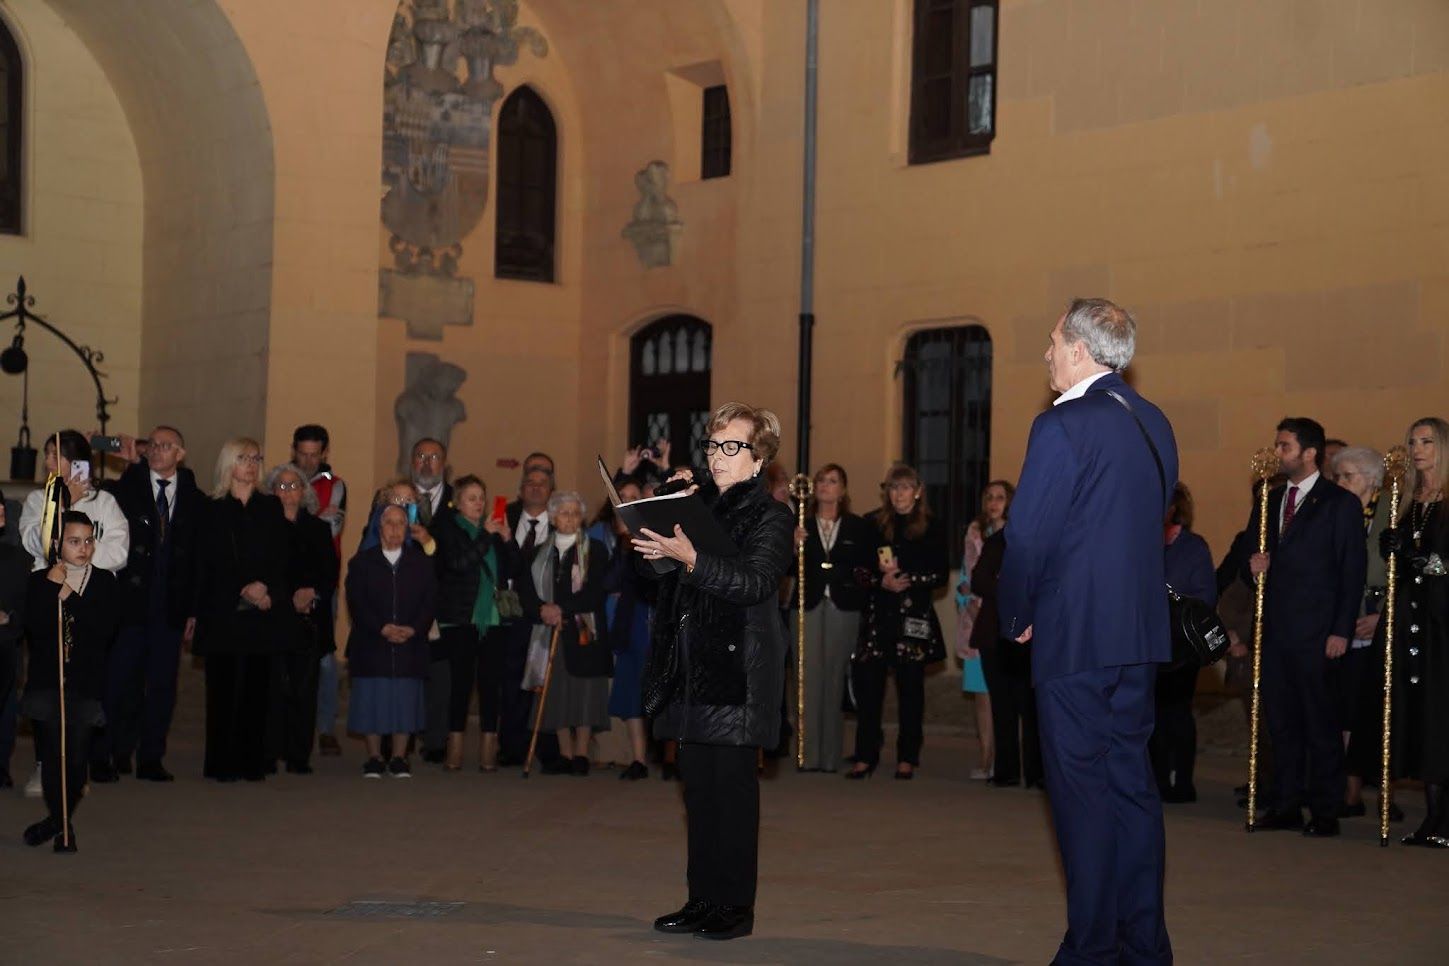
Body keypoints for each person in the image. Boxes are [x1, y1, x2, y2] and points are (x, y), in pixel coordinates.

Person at [997, 298, 1177, 964]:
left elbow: (1027, 536)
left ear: (1078, 348)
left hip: (1074, 637)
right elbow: (1145, 519)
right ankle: (1144, 947)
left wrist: (1015, 615)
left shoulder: (1062, 425)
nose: (1044, 353)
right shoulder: (1153, 421)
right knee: (1131, 790)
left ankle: (1090, 950)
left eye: (1050, 341)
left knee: (1080, 799)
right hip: (1137, 636)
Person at [635, 402, 793, 940]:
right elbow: (669, 575)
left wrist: (692, 559)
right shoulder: (698, 505)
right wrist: (657, 547)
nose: (717, 456)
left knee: (732, 795)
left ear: (758, 458)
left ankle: (735, 909)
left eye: (731, 447)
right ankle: (702, 899)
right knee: (698, 793)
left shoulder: (773, 516)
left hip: (739, 671)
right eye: (712, 445)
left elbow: (753, 583)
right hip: (691, 665)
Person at [1242, 417, 1366, 837]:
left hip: (1318, 632)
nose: (1277, 453)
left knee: (1320, 723)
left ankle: (1326, 809)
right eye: (1277, 445)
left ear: (1309, 452)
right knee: (1282, 722)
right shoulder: (1270, 500)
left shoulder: (1339, 504)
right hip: (1277, 631)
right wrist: (1254, 567)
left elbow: (1351, 571)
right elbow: (1252, 557)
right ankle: (1287, 803)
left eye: (1285, 446)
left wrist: (1340, 630)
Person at [94, 426, 199, 784]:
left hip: (170, 606)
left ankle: (151, 757)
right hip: (131, 602)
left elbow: (197, 560)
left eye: (166, 446)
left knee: (162, 686)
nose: (157, 451)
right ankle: (106, 752)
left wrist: (192, 610)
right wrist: (130, 461)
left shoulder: (192, 494)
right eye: (152, 446)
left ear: (180, 454)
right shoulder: (130, 485)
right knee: (118, 680)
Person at [192, 438, 293, 783]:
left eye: (255, 458)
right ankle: (221, 763)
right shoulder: (211, 508)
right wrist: (242, 587)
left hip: (262, 609)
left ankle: (251, 762)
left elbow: (281, 556)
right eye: (243, 458)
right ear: (228, 464)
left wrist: (265, 587)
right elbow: (209, 560)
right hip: (224, 610)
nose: (250, 465)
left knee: (257, 690)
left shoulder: (270, 507)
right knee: (223, 690)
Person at [22, 512, 121, 852]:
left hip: (84, 682)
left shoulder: (105, 581)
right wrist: (51, 587)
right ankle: (64, 828)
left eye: (88, 541)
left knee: (77, 761)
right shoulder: (39, 581)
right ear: (57, 544)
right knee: (52, 756)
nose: (83, 548)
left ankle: (54, 820)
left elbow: (103, 629)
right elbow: (33, 627)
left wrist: (67, 594)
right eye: (74, 541)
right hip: (48, 682)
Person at [848, 462, 949, 781]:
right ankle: (865, 755)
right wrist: (881, 582)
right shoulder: (871, 524)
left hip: (913, 619)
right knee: (868, 690)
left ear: (918, 492)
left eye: (905, 487)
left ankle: (908, 757)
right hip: (878, 617)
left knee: (911, 691)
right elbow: (857, 571)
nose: (899, 493)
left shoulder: (933, 527)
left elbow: (940, 574)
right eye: (893, 487)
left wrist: (909, 579)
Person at [1376, 417, 1449, 847]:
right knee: (1423, 719)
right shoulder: (1408, 500)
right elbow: (1403, 567)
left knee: (1441, 716)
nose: (1418, 449)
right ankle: (1434, 817)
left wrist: (1427, 563)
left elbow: (1438, 562)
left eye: (1427, 441)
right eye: (1413, 441)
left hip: (1443, 626)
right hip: (1413, 625)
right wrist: (1398, 554)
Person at [518, 491, 611, 775]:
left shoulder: (595, 549)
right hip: (550, 631)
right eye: (564, 513)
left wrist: (562, 609)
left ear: (582, 518)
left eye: (575, 513)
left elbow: (595, 591)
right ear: (553, 517)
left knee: (584, 693)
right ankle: (565, 753)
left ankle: (581, 753)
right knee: (556, 692)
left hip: (584, 631)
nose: (570, 518)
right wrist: (542, 610)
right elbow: (526, 591)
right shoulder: (537, 553)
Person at [790, 463, 874, 773]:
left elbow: (866, 570)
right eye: (822, 480)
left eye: (833, 481)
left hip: (843, 605)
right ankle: (806, 754)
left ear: (843, 489)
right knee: (807, 678)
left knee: (835, 677)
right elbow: (785, 569)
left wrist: (844, 578)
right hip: (807, 604)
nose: (826, 486)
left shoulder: (857, 526)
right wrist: (793, 546)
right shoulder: (801, 523)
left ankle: (830, 756)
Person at [430, 474, 514, 771]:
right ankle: (454, 749)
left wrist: (507, 539)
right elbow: (457, 563)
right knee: (460, 684)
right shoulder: (448, 529)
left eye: (481, 497)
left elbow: (513, 569)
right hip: (461, 618)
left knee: (492, 684)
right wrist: (486, 536)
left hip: (494, 619)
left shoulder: (492, 530)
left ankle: (489, 750)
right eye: (471, 498)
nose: (478, 503)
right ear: (458, 502)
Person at [345, 504, 436, 778]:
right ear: (378, 527)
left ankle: (399, 757)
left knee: (404, 700)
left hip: (410, 641)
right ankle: (374, 756)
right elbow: (356, 603)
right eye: (389, 523)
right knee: (373, 699)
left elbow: (430, 602)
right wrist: (381, 627)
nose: (395, 528)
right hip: (372, 641)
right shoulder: (361, 563)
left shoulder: (421, 563)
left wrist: (413, 628)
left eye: (400, 523)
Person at [262, 463, 338, 774]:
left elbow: (330, 572)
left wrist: (312, 594)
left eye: (294, 486)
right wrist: (287, 596)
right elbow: (264, 570)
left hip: (310, 617)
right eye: (281, 486)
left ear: (304, 492)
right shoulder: (263, 528)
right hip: (274, 615)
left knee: (304, 689)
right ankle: (268, 752)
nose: (288, 492)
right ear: (271, 492)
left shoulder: (319, 529)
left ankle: (298, 755)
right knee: (272, 688)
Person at [1331, 446, 1391, 818]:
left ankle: (1379, 790)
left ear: (1371, 480)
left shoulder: (1390, 511)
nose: (1340, 483)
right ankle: (1346, 787)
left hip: (1378, 613)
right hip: (1345, 617)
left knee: (1374, 706)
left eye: (1347, 476)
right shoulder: (1340, 512)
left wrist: (1382, 615)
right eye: (1337, 476)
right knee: (1344, 703)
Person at [1149, 483, 1216, 803]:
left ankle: (1182, 781)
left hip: (1180, 645)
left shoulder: (1193, 547)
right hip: (1148, 641)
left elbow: (1205, 595)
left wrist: (1174, 604)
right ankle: (1158, 778)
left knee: (1176, 712)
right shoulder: (1143, 543)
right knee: (1151, 713)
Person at [969, 514, 1042, 790]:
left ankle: (1036, 773)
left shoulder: (1041, 542)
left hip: (1031, 635)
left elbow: (1040, 583)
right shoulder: (995, 543)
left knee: (1031, 707)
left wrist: (1007, 584)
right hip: (994, 634)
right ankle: (1006, 770)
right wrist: (1011, 587)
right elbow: (979, 580)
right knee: (1002, 706)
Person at [292, 424, 347, 758]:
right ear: (294, 450)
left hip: (325, 580)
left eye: (315, 454)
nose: (309, 461)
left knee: (325, 658)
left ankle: (326, 728)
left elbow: (332, 525)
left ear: (324, 453)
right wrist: (314, 515)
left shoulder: (335, 485)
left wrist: (304, 514)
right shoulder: (280, 479)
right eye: (303, 453)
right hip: (286, 581)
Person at [595, 475, 655, 779]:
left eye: (635, 497)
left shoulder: (660, 538)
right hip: (631, 624)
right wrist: (625, 546)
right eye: (623, 497)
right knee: (632, 690)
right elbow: (608, 582)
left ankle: (671, 757)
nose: (628, 503)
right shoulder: (622, 544)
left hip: (655, 623)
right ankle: (639, 759)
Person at [499, 460, 555, 765]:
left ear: (550, 491)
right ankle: (511, 748)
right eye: (529, 483)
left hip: (545, 614)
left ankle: (545, 749)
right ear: (521, 490)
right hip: (509, 614)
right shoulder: (502, 517)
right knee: (510, 684)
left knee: (543, 683)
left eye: (541, 483)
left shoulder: (562, 523)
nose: (535, 487)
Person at [957, 481, 1014, 781]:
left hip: (1002, 621)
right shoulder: (974, 533)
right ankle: (985, 755)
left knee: (1004, 695)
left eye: (1000, 498)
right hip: (974, 621)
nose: (994, 503)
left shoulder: (1017, 535)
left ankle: (1005, 758)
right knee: (981, 696)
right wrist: (967, 600)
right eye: (989, 497)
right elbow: (964, 579)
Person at [20, 430, 130, 573]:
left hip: (94, 587)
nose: (47, 462)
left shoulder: (104, 501)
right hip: (51, 585)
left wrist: (76, 551)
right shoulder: (37, 499)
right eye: (46, 454)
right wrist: (62, 504)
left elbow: (119, 555)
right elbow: (33, 544)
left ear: (77, 461)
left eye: (55, 455)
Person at [0, 491, 32, 790]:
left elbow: (23, 606)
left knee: (7, 700)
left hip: (5, 640)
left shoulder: (16, 559)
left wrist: (8, 616)